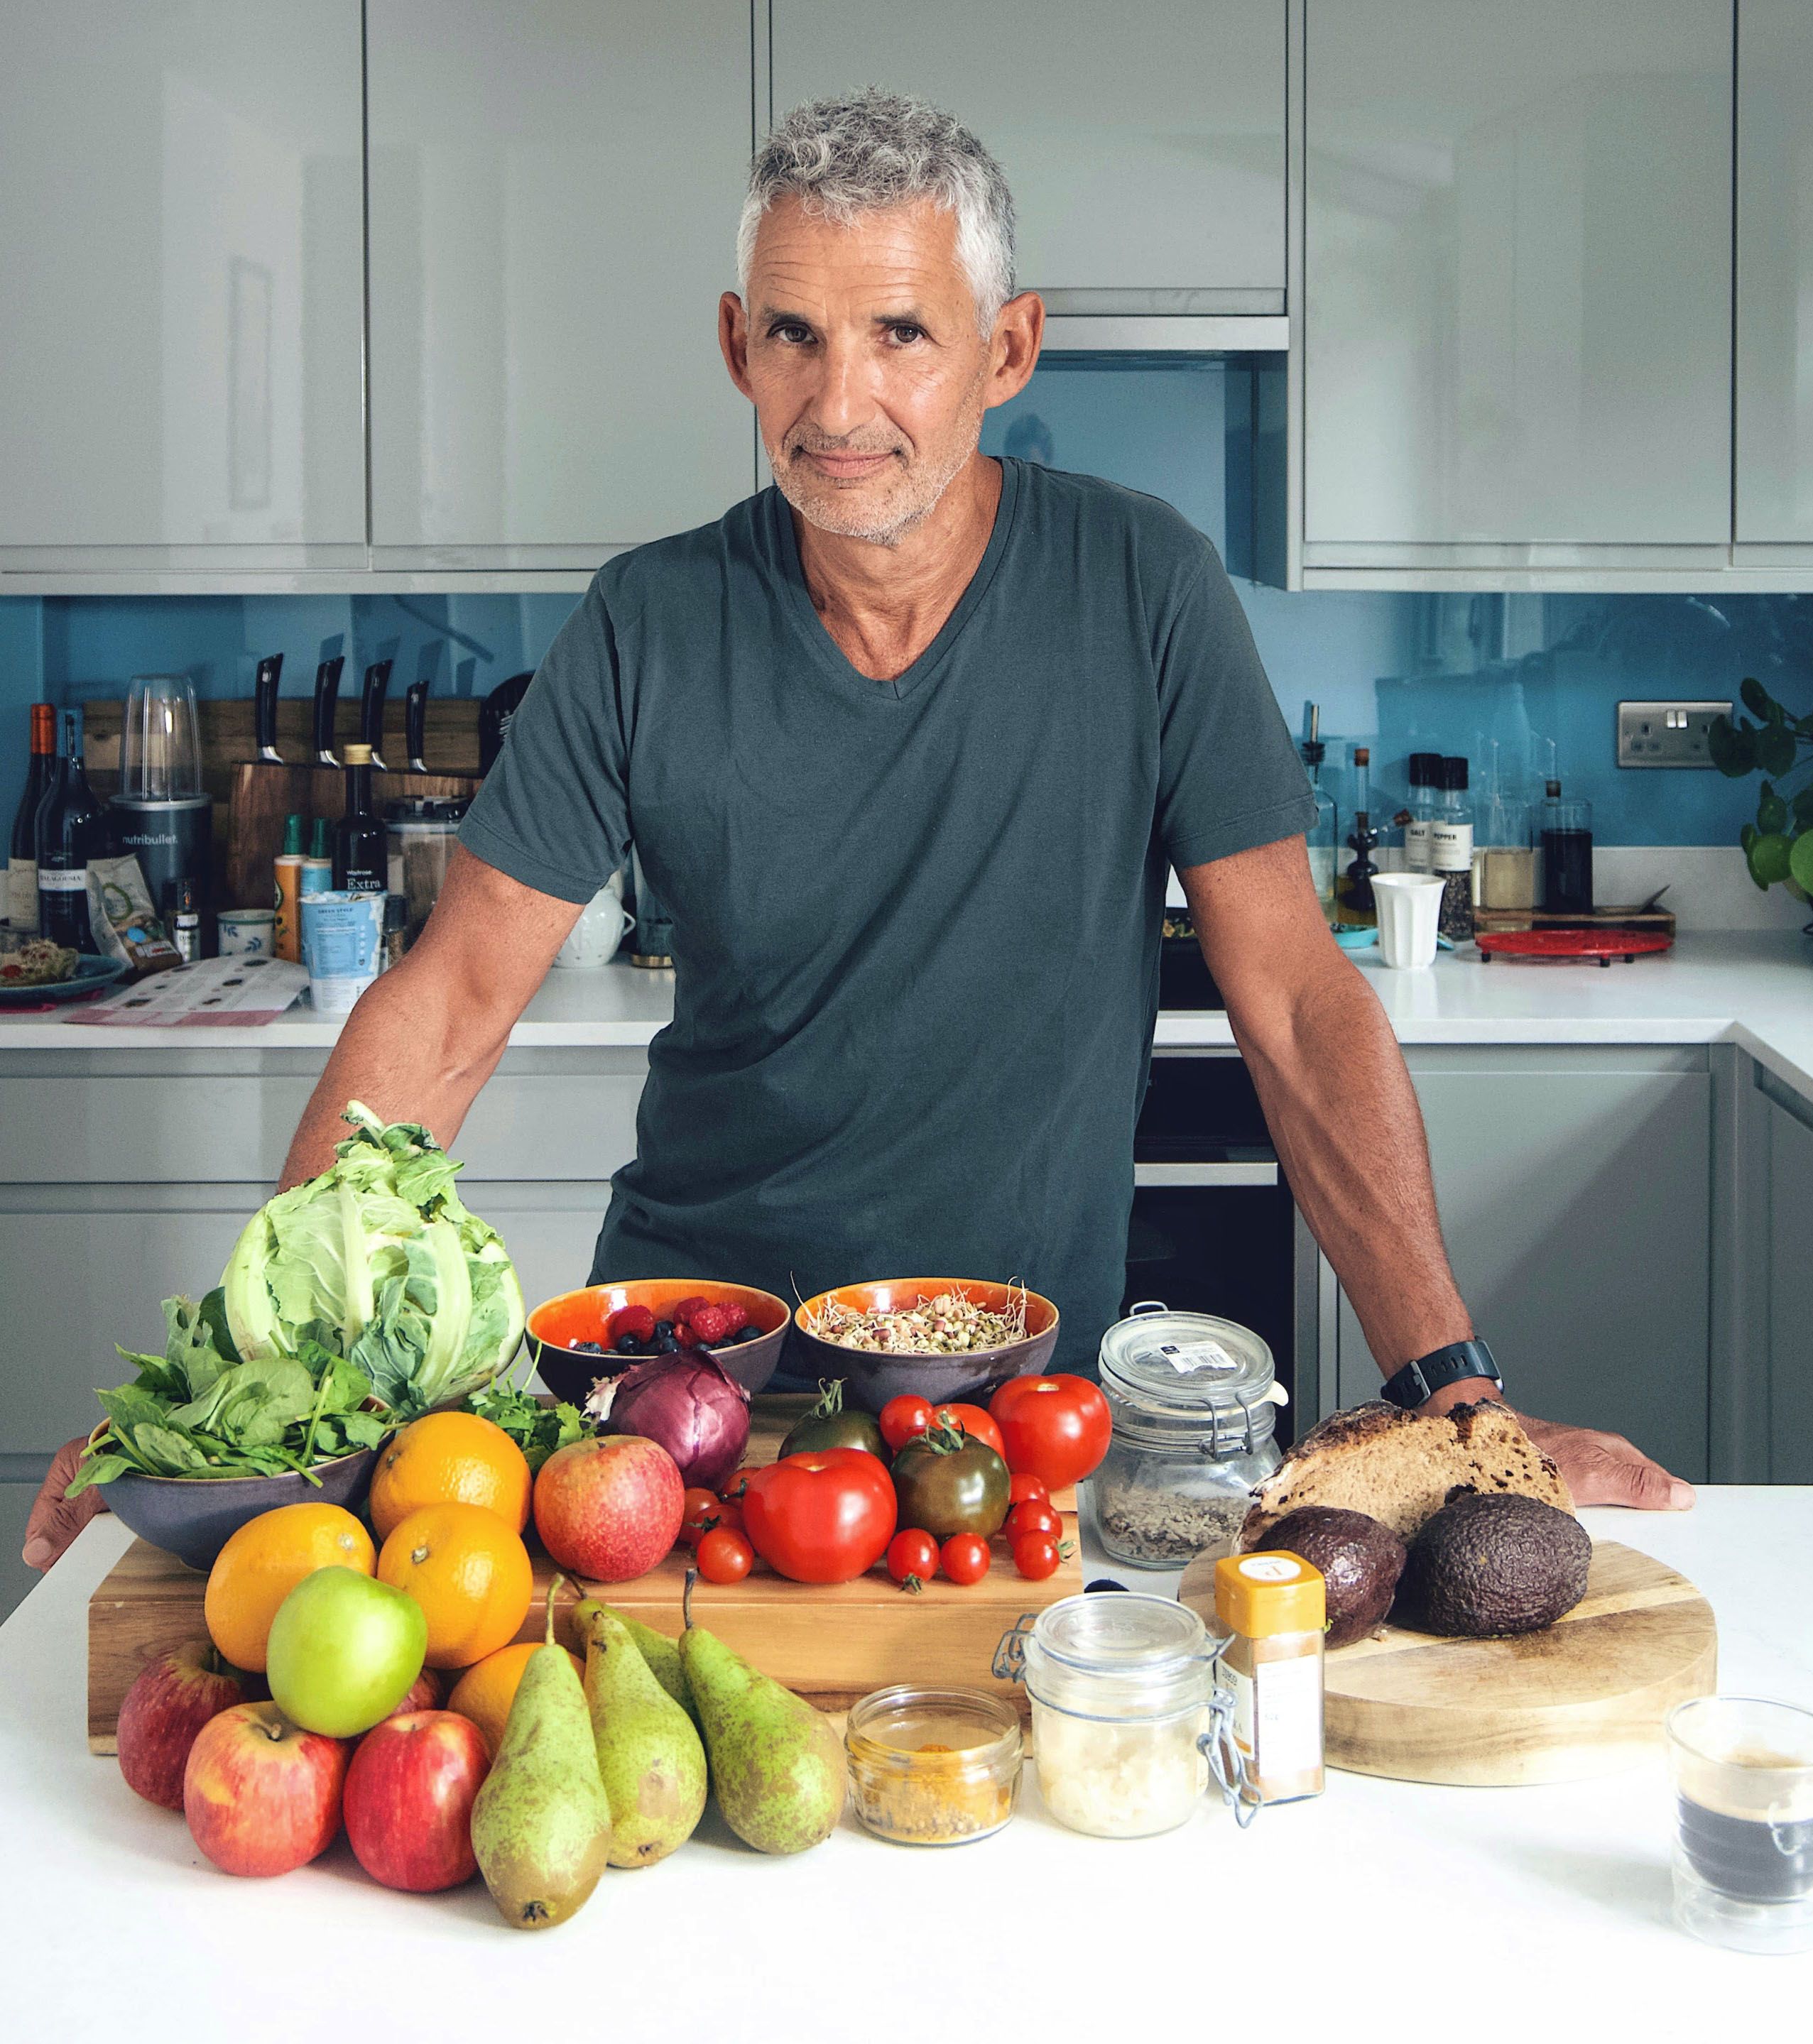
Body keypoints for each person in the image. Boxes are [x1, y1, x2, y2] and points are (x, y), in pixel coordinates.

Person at [25, 89, 1689, 1575]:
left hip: (1008, 1423)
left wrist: (1457, 1400)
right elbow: (450, 1005)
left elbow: (1299, 1010)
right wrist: (254, 1393)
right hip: (684, 1394)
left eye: (900, 331)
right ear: (737, 346)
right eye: (797, 337)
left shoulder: (1144, 586)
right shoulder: (644, 622)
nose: (841, 401)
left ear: (1006, 351)